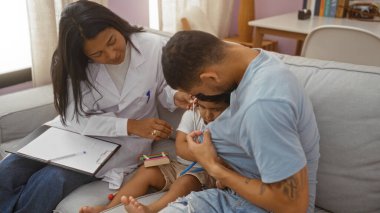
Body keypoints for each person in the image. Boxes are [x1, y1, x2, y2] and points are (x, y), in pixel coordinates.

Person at [0, 1, 191, 212]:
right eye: (97, 54)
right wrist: (130, 125)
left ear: (116, 25)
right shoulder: (73, 65)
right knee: (7, 171)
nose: (111, 55)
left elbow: (163, 87)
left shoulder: (152, 46)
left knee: (51, 181)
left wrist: (175, 96)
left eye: (112, 41)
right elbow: (77, 118)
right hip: (68, 134)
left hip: (118, 147)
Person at [122, 30, 321, 213]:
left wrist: (213, 167)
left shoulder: (263, 105)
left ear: (210, 77)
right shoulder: (249, 61)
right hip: (232, 197)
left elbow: (293, 205)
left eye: (197, 94)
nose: (195, 101)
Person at [79, 93, 230, 213]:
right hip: (180, 164)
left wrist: (209, 161)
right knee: (147, 169)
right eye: (203, 107)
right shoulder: (192, 115)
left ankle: (151, 209)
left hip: (205, 171)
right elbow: (180, 147)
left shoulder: (229, 124)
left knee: (186, 181)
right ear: (195, 102)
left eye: (216, 110)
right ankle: (109, 208)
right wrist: (203, 153)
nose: (208, 115)